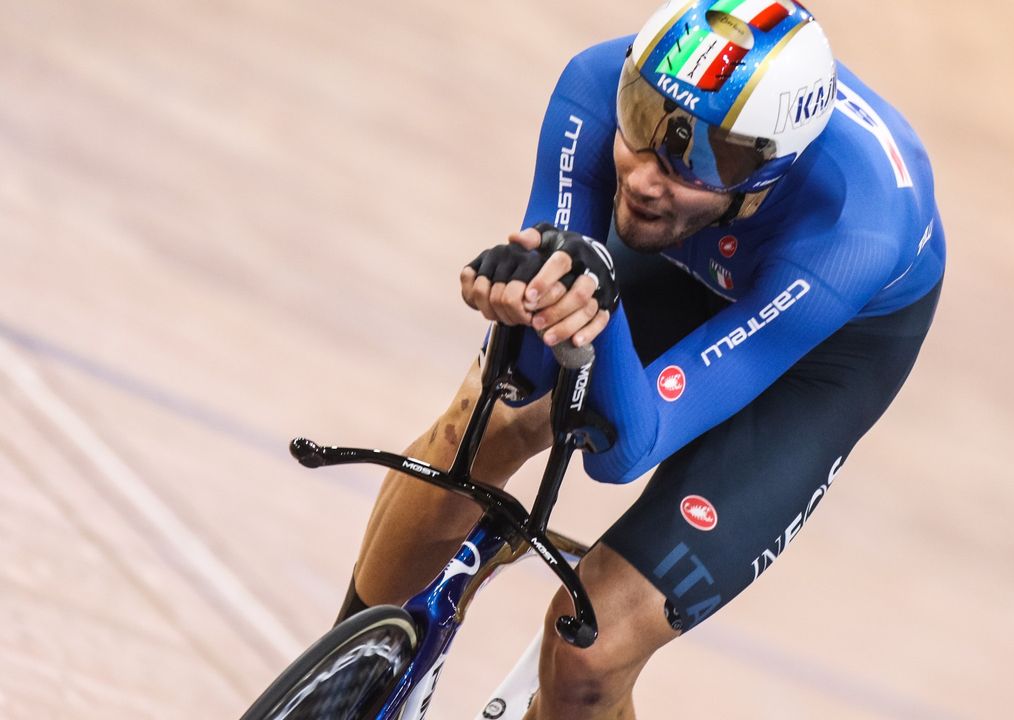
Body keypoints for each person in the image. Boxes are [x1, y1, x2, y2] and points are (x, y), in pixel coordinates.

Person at [339, 1, 945, 718]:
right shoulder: (596, 83)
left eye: (701, 155)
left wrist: (591, 314)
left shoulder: (854, 227)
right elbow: (531, 366)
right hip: (686, 256)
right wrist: (523, 293)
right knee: (484, 422)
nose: (648, 176)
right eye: (645, 120)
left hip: (820, 342)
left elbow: (625, 448)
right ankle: (343, 690)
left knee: (592, 642)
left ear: (768, 171)